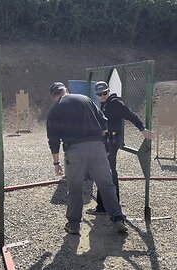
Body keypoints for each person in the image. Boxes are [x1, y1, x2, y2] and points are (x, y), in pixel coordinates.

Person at [46, 81, 127, 234]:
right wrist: (105, 144)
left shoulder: (54, 110)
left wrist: (56, 163)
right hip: (97, 147)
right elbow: (103, 122)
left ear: (53, 97)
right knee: (106, 184)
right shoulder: (85, 99)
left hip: (74, 150)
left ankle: (74, 225)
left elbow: (54, 141)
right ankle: (117, 218)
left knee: (75, 188)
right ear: (66, 90)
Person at [86, 81, 155, 215]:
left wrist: (142, 129)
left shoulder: (115, 103)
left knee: (106, 172)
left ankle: (105, 206)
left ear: (108, 91)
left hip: (111, 142)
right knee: (108, 172)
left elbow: (130, 115)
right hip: (108, 141)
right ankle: (110, 204)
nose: (102, 96)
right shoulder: (105, 103)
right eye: (99, 94)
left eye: (104, 93)